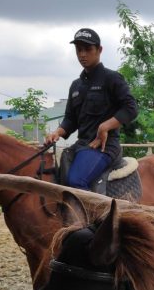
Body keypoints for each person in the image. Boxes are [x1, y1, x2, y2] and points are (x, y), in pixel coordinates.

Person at [45, 28, 138, 190]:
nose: (82, 54)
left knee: (76, 181)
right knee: (51, 174)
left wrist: (105, 126)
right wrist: (57, 133)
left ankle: (95, 215)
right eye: (79, 50)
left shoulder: (112, 79)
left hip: (104, 147)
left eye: (87, 49)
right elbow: (70, 119)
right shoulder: (76, 85)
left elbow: (131, 108)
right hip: (83, 145)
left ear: (99, 50)